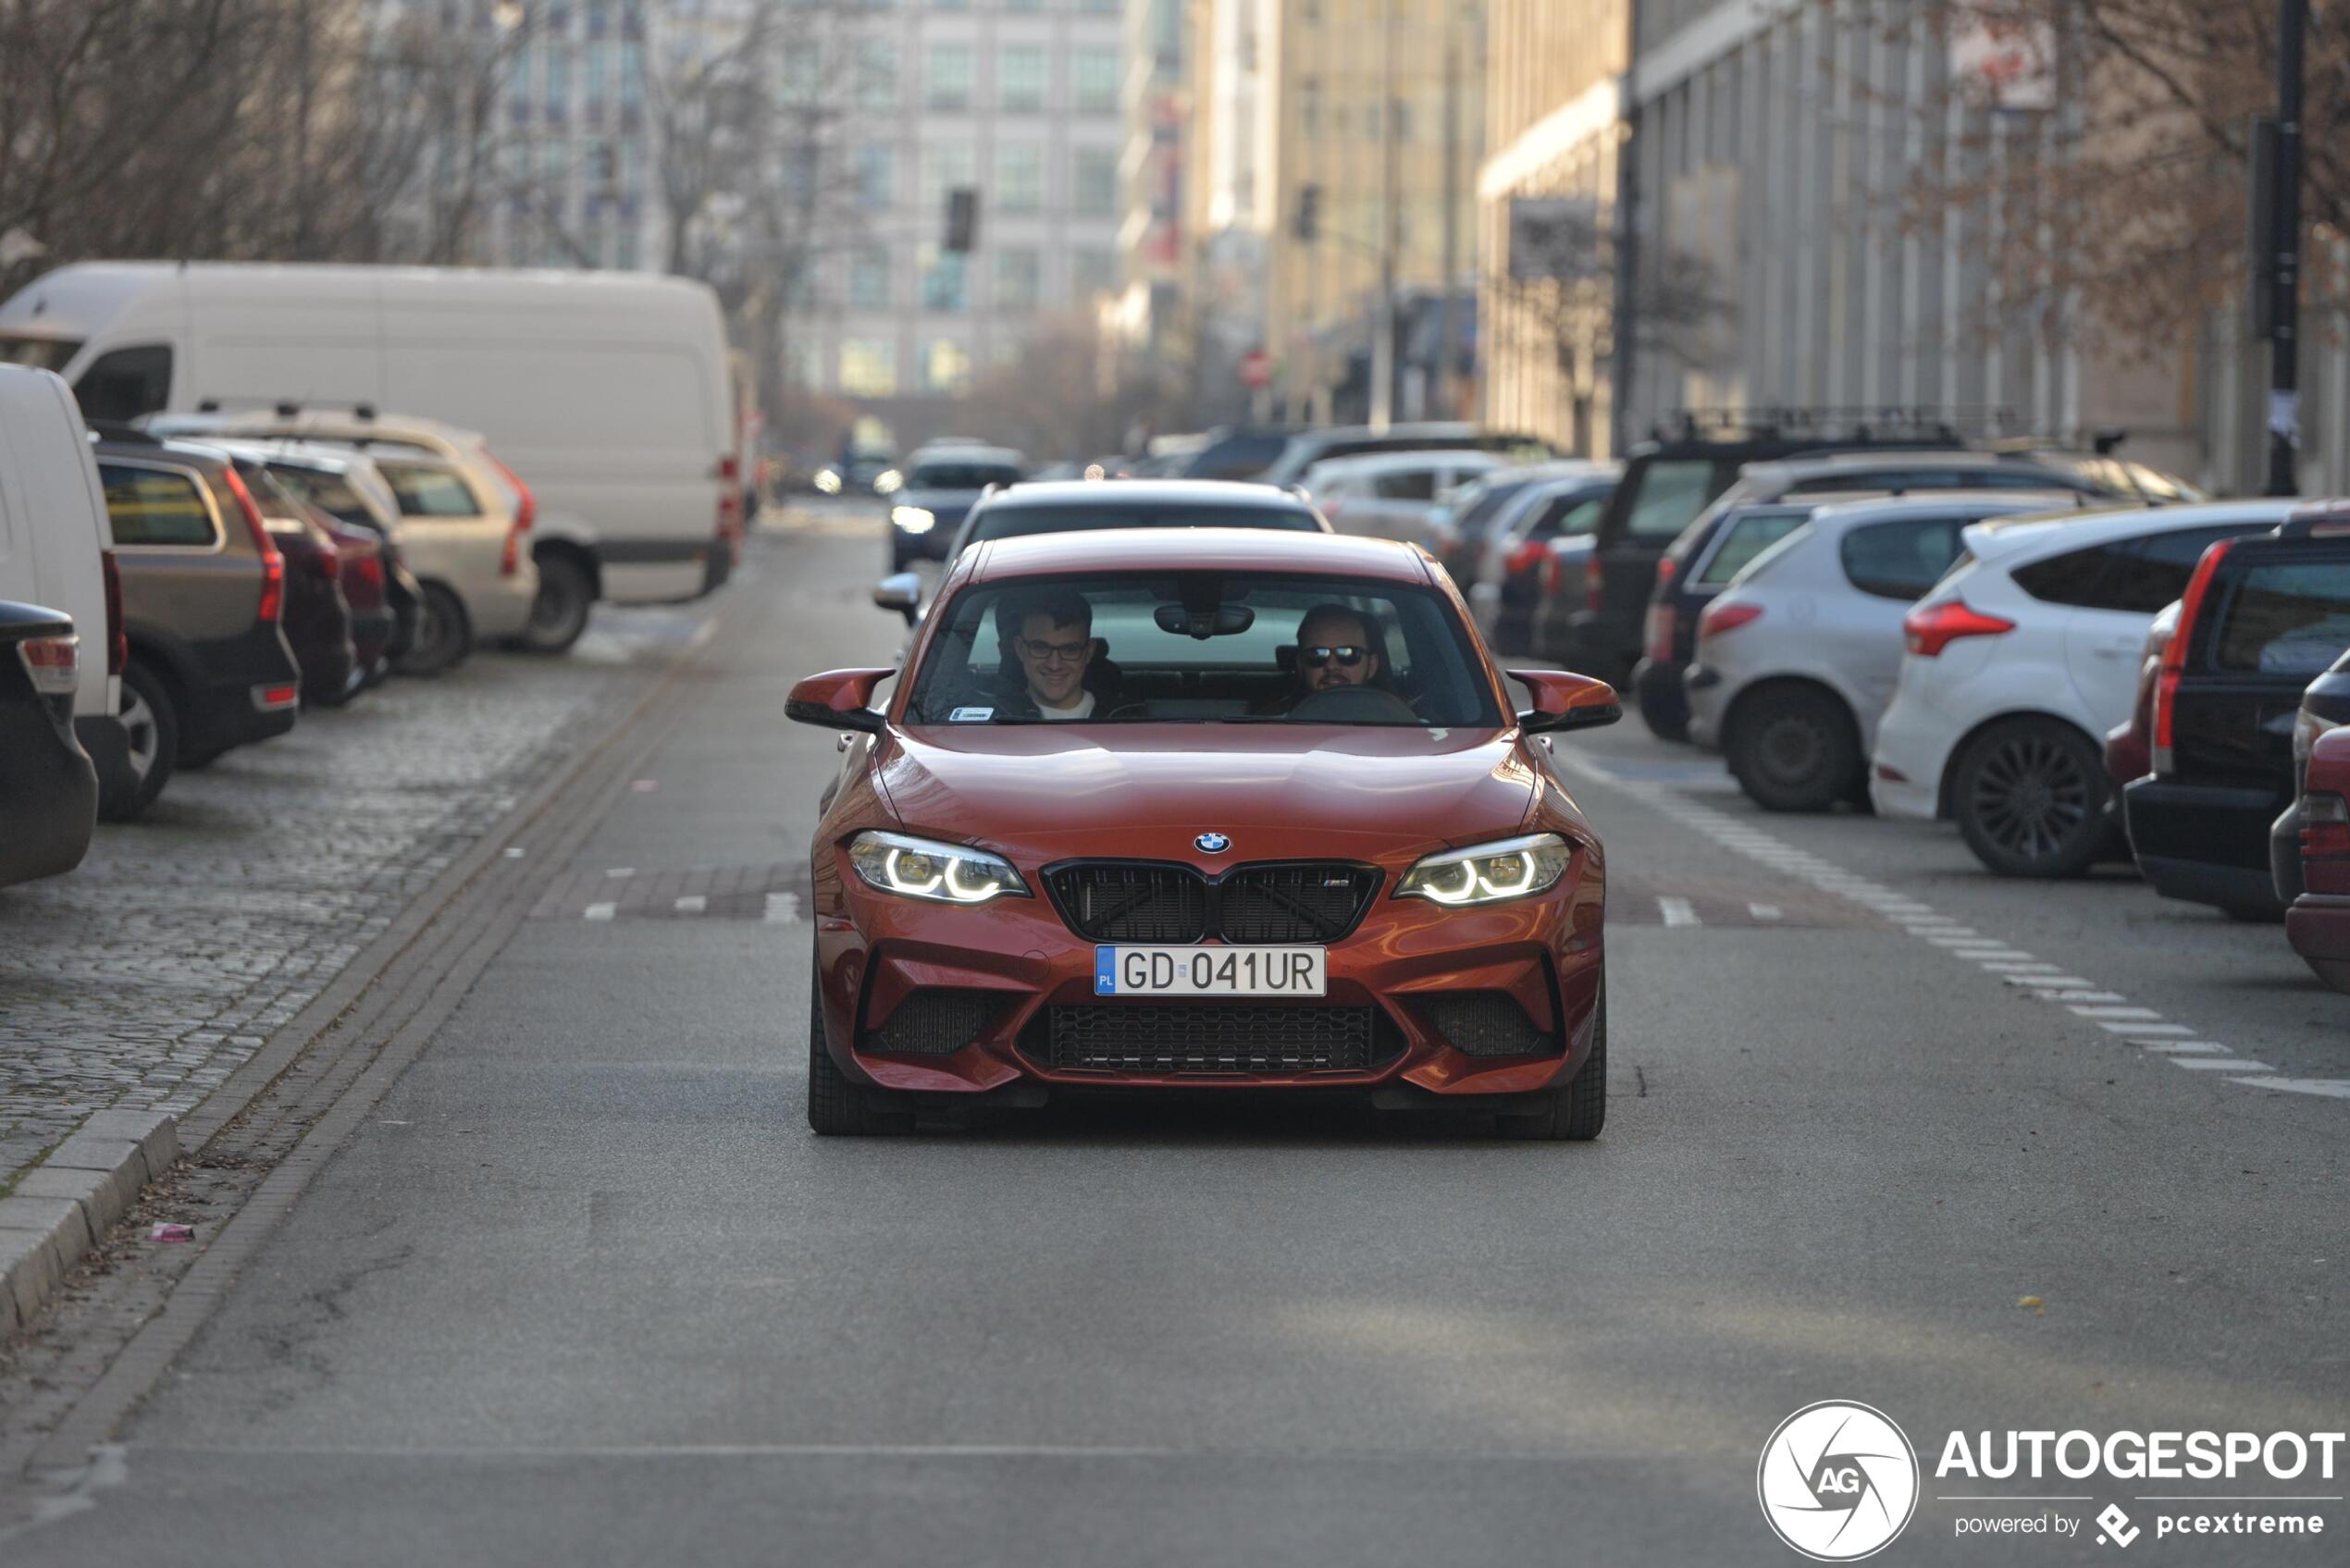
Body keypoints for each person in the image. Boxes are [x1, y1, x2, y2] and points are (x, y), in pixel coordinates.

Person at [995, 588, 1113, 720]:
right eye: (1040, 648)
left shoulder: (1127, 715)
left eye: (1070, 650)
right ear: (1020, 649)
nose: (1054, 665)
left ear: (1089, 651)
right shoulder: (988, 720)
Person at [1263, 603, 1385, 710]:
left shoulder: (1399, 721)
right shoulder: (1269, 725)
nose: (1331, 666)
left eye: (1348, 654)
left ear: (1371, 666)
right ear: (1300, 666)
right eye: (1317, 654)